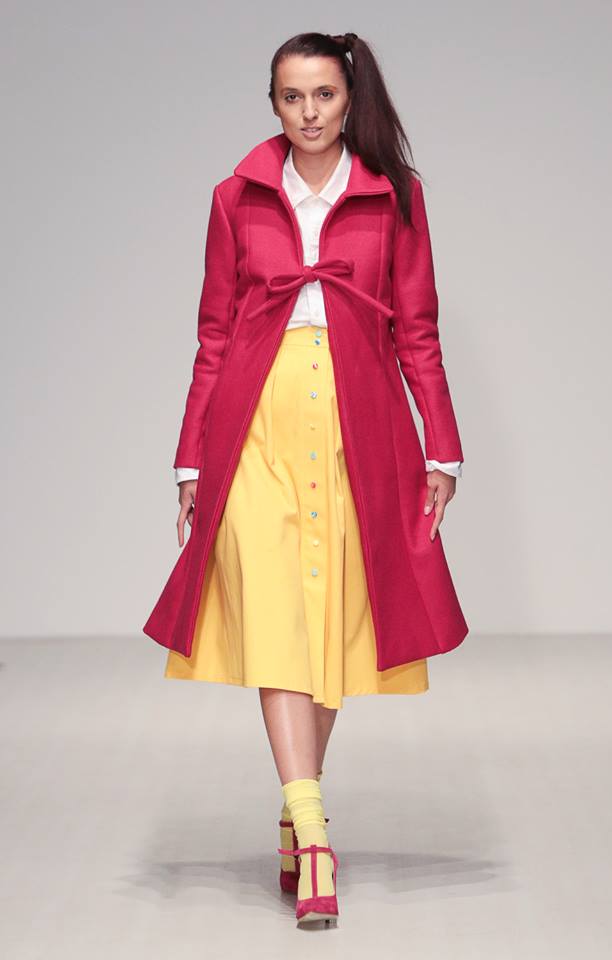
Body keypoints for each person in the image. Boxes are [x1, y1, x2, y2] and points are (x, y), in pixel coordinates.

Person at [143, 30, 468, 926]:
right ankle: (315, 832)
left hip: (360, 421)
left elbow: (418, 331)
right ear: (273, 103)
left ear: (349, 98)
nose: (310, 112)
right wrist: (191, 456)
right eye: (293, 97)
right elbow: (214, 333)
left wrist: (441, 448)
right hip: (255, 421)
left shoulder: (393, 196)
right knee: (280, 613)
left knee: (329, 619)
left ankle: (294, 809)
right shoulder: (236, 197)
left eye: (325, 95)